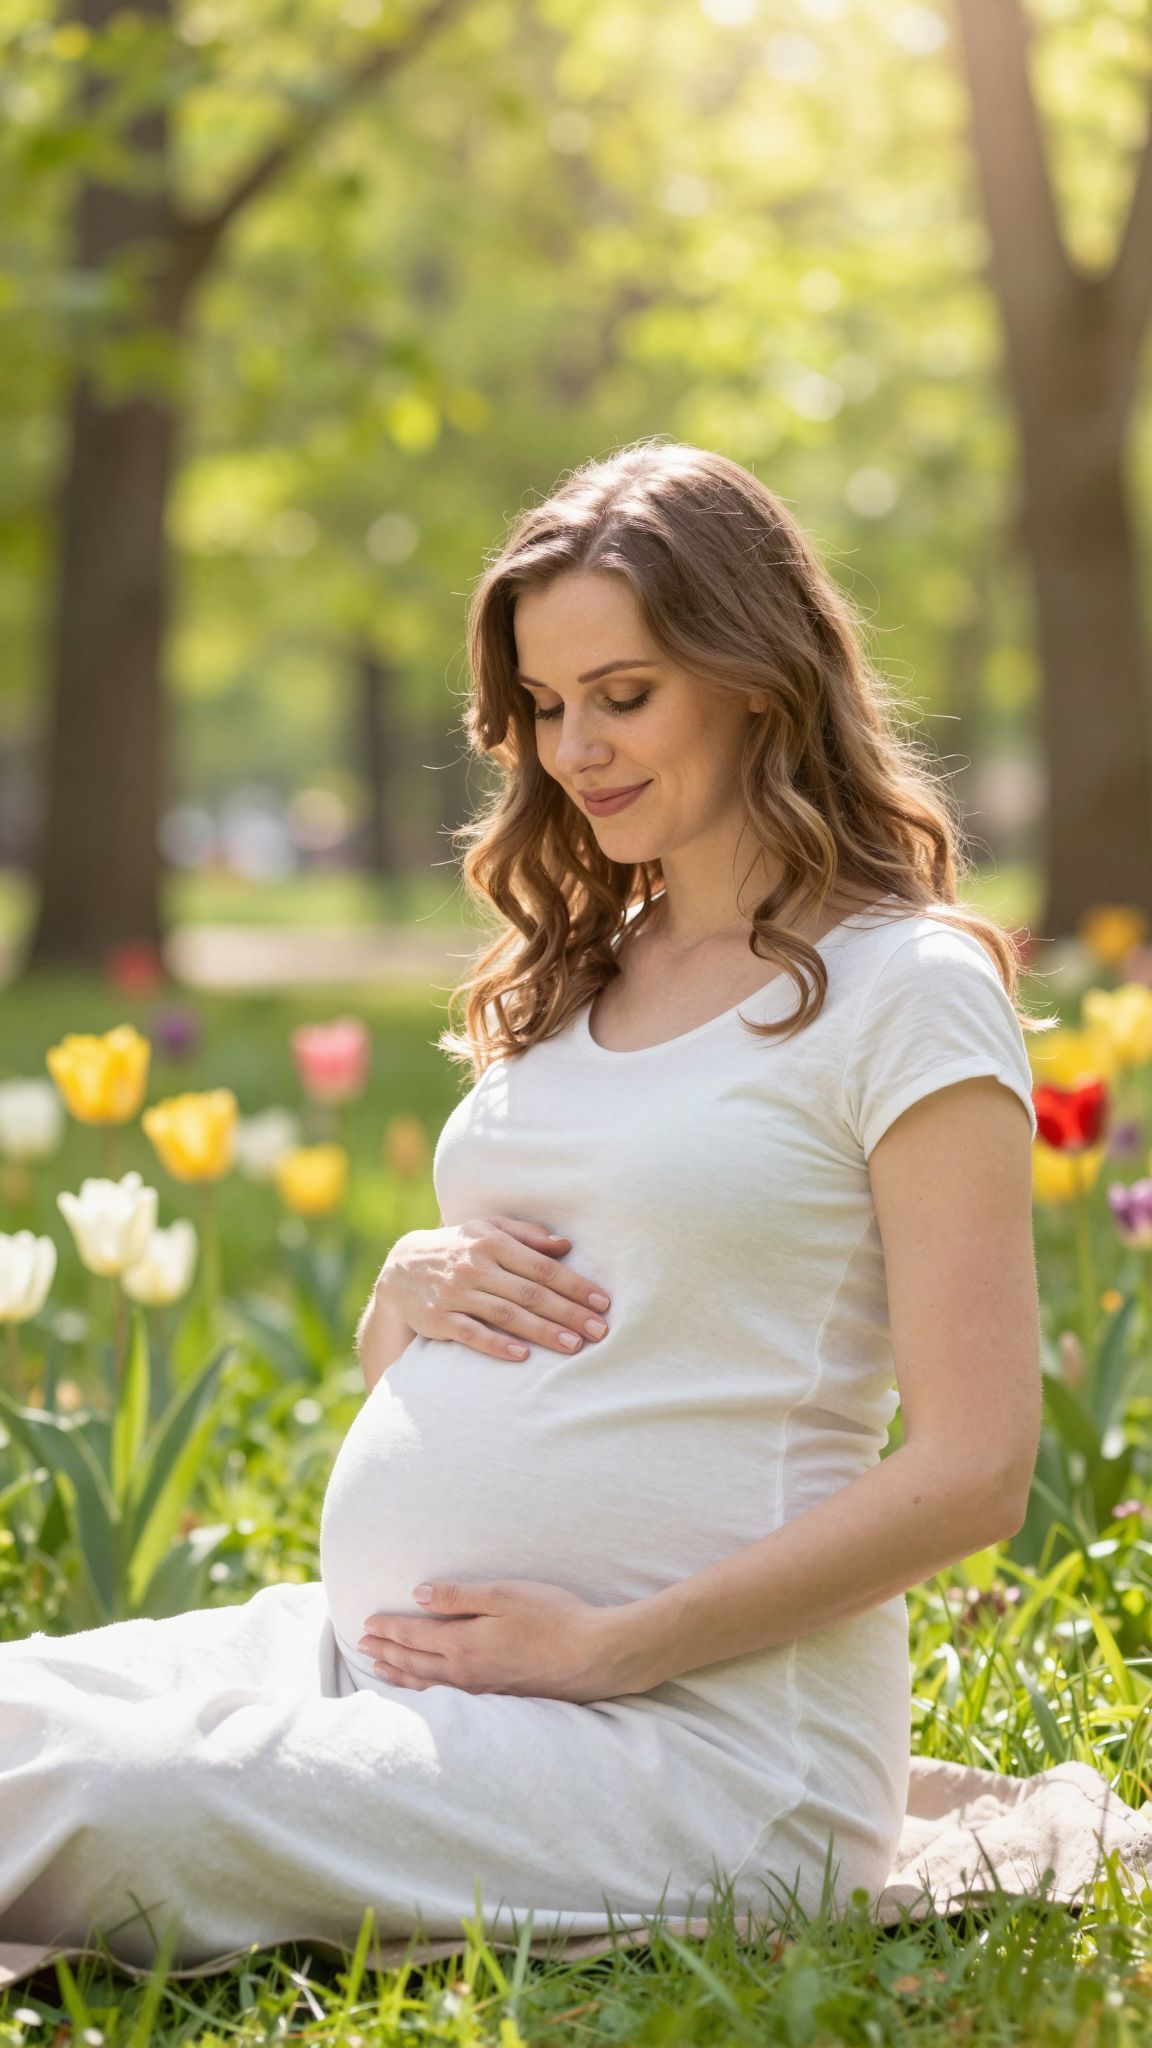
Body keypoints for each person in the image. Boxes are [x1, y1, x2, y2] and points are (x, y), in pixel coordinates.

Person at [0, 438, 1048, 1973]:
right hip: (397, 1674)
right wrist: (400, 1298)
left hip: (694, 1750)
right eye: (547, 708)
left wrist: (603, 1650)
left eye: (624, 695)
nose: (577, 750)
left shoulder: (909, 988)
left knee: (105, 1796)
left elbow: (977, 1471)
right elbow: (488, 1362)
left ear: (757, 676)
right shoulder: (577, 969)